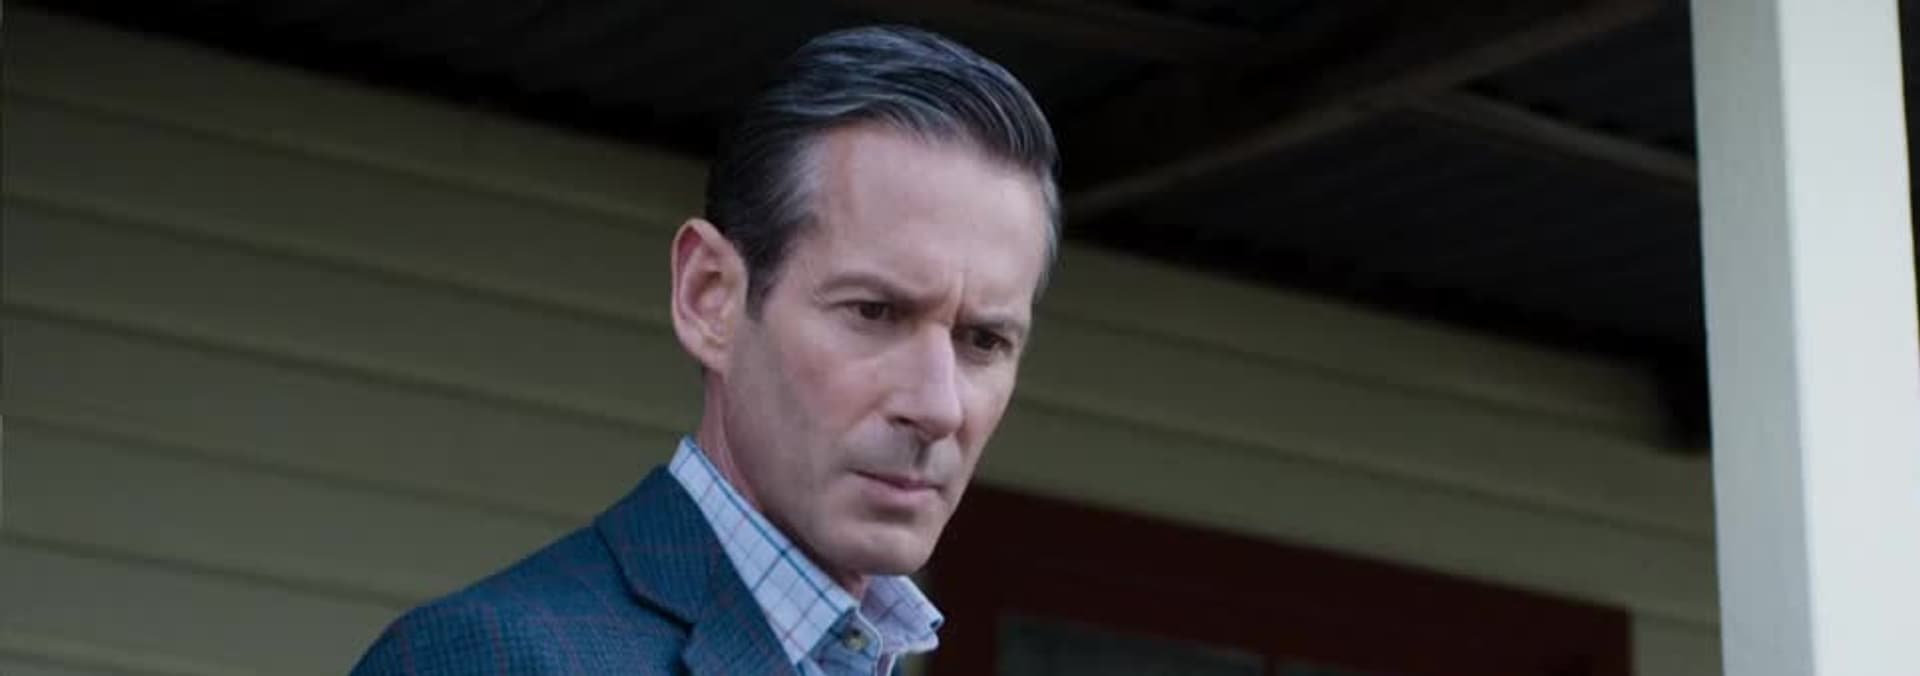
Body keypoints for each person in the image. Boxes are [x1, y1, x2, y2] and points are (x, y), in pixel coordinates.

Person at [350, 23, 1059, 676]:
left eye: (984, 340)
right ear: (708, 296)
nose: (938, 406)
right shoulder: (491, 660)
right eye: (873, 312)